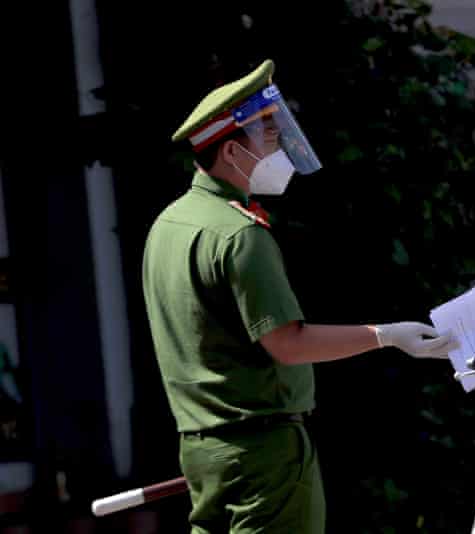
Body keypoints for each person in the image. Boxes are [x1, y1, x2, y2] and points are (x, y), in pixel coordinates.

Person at [142, 59, 457, 533]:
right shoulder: (239, 235)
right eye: (268, 139)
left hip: (202, 448)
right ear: (231, 151)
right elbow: (287, 342)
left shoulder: (169, 225)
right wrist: (387, 336)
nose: (280, 148)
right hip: (263, 451)